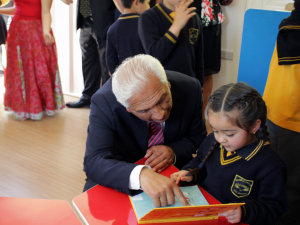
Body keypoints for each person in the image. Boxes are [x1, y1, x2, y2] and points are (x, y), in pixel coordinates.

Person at [83, 54, 207, 207]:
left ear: (167, 84)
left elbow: (198, 136)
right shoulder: (104, 101)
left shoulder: (191, 88)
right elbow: (94, 161)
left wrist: (173, 151)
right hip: (122, 172)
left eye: (163, 99)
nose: (160, 115)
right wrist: (139, 174)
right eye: (145, 110)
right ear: (127, 108)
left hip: (174, 172)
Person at [171, 82, 288, 224]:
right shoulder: (211, 142)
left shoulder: (270, 164)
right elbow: (200, 162)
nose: (220, 139)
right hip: (206, 213)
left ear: (254, 126)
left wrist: (244, 212)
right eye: (215, 130)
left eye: (230, 134)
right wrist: (190, 173)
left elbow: (274, 206)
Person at [263, 1, 300, 224]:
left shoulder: (290, 24)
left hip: (277, 111)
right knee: (289, 188)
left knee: (276, 180)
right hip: (291, 117)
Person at [0, 0, 65, 120]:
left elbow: (45, 12)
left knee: (39, 70)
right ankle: (23, 107)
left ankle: (38, 106)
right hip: (18, 30)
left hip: (37, 31)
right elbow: (18, 9)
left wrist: (46, 31)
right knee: (20, 70)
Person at [61, 0, 119, 108]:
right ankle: (88, 96)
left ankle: (107, 101)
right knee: (88, 60)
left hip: (105, 18)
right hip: (85, 18)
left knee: (106, 63)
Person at [138, 0, 204, 86]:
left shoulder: (193, 17)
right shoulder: (148, 17)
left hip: (189, 84)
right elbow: (154, 55)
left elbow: (199, 58)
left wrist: (200, 86)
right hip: (163, 87)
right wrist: (176, 26)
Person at [190, 0, 232, 118]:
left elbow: (227, 1)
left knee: (206, 71)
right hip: (180, 17)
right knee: (182, 67)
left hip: (209, 21)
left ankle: (201, 118)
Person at [106, 0, 150, 75]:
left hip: (125, 78)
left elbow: (111, 63)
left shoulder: (112, 29)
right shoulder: (146, 25)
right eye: (148, 3)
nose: (149, 7)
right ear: (136, 3)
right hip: (145, 76)